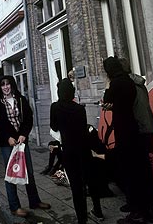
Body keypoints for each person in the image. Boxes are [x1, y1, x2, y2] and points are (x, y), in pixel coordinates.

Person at [102, 56, 153, 224]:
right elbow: (128, 104)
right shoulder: (135, 84)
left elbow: (110, 97)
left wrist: (110, 91)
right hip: (140, 132)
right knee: (142, 171)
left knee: (133, 173)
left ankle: (138, 211)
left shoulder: (120, 83)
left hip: (132, 133)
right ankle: (146, 210)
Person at [0, 75, 51, 218]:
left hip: (22, 142)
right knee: (11, 174)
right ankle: (15, 207)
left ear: (12, 85)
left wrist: (24, 134)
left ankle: (34, 201)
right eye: (3, 85)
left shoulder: (21, 100)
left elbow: (29, 119)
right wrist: (7, 138)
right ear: (0, 87)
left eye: (8, 84)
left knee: (28, 172)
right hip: (7, 144)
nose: (6, 87)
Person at [50, 78, 104, 224]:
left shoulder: (55, 107)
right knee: (90, 180)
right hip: (84, 149)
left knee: (76, 186)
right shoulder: (80, 109)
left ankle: (82, 219)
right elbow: (82, 129)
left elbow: (54, 127)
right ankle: (97, 210)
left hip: (69, 151)